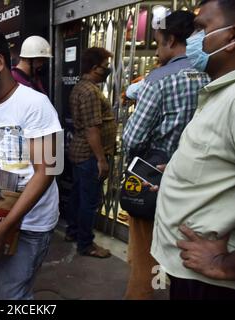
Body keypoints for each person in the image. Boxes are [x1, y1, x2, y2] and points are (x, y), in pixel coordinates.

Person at [0, 28, 63, 300]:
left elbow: (47, 171)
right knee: (4, 288)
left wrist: (8, 225)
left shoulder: (35, 104)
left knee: (11, 293)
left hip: (30, 223)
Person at [122, 10, 210, 300]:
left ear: (171, 40)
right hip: (198, 185)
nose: (158, 51)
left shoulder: (158, 80)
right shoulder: (212, 73)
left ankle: (144, 295)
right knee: (186, 253)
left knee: (146, 253)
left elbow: (132, 137)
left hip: (154, 180)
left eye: (158, 44)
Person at [150, 0, 235, 300]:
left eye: (201, 29)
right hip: (192, 272)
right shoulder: (218, 91)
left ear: (231, 37)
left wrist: (226, 265)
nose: (193, 40)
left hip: (212, 282)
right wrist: (175, 171)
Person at [65, 47, 117, 258]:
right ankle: (86, 244)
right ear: (95, 68)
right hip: (88, 155)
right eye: (105, 66)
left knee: (78, 196)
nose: (108, 70)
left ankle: (73, 231)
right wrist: (101, 160)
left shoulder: (82, 87)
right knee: (89, 201)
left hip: (81, 153)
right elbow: (91, 128)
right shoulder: (89, 92)